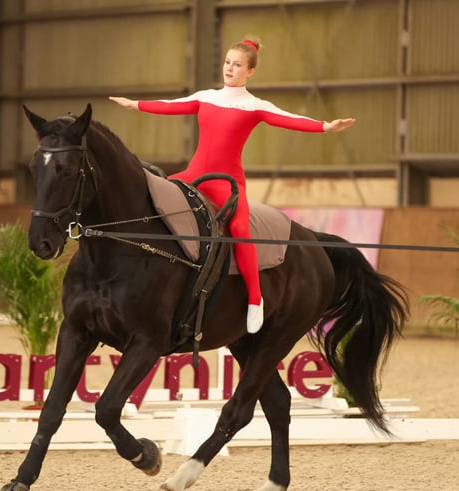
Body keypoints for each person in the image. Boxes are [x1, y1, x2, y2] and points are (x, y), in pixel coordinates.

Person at [110, 37, 355, 334]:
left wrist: (324, 126)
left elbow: (289, 119)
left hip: (227, 183)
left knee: (239, 230)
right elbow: (171, 106)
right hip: (193, 174)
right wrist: (136, 105)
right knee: (152, 197)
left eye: (237, 64)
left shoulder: (255, 106)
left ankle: (255, 301)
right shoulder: (206, 97)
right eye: (227, 62)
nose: (230, 68)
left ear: (250, 71)